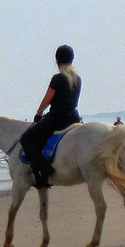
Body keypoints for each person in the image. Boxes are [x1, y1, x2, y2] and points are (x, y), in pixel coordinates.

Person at [20, 45, 82, 188]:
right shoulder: (77, 78)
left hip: (57, 118)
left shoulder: (58, 78)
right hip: (73, 118)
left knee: (26, 139)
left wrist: (39, 112)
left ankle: (44, 168)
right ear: (71, 60)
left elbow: (47, 99)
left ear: (57, 60)